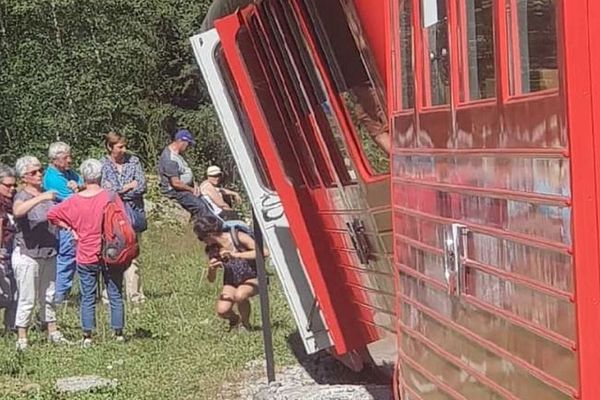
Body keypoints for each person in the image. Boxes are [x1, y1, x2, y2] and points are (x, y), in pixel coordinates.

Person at [48, 159, 127, 346]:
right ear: (100, 176)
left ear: (83, 176)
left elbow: (52, 215)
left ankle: (87, 335)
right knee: (115, 293)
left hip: (85, 252)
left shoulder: (74, 200)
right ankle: (118, 334)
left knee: (87, 296)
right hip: (111, 252)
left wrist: (69, 228)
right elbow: (124, 220)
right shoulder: (111, 196)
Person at [12, 156, 68, 350]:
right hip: (28, 253)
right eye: (33, 172)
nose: (39, 174)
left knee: (49, 294)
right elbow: (18, 211)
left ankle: (53, 331)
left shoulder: (47, 193)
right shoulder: (22, 195)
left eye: (40, 170)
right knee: (27, 297)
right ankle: (22, 337)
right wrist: (42, 198)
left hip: (49, 250)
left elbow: (55, 215)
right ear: (24, 177)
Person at [192, 215, 267, 331]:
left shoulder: (237, 236)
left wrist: (236, 255)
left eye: (201, 238)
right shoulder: (212, 249)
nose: (203, 241)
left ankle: (246, 325)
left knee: (240, 295)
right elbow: (211, 279)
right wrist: (212, 268)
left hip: (252, 275)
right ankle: (235, 320)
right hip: (231, 280)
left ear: (210, 234)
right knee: (222, 310)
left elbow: (264, 252)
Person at [101, 131, 146, 304]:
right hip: (111, 217)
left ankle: (134, 295)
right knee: (112, 254)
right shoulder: (102, 164)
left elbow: (141, 185)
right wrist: (127, 187)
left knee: (133, 256)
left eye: (124, 146)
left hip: (133, 214)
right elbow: (107, 191)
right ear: (109, 147)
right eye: (120, 147)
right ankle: (110, 295)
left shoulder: (133, 161)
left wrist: (121, 190)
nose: (124, 150)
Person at [42, 142, 83, 304]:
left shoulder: (69, 173)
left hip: (76, 223)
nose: (70, 160)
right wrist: (78, 190)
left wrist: (80, 188)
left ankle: (69, 293)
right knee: (66, 257)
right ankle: (59, 296)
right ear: (55, 159)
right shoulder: (51, 178)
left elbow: (84, 183)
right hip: (63, 224)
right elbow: (73, 200)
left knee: (75, 257)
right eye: (66, 158)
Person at [158, 129, 212, 217]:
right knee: (200, 206)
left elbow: (186, 170)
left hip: (185, 188)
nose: (188, 146)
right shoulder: (169, 159)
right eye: (188, 144)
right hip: (175, 191)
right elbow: (175, 183)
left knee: (208, 201)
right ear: (181, 141)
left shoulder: (178, 154)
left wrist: (194, 185)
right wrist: (191, 190)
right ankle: (205, 227)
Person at [0, 165, 17, 332]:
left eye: (14, 185)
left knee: (15, 292)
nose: (12, 189)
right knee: (4, 294)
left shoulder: (12, 202)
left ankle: (10, 328)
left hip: (13, 250)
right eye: (7, 185)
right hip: (2, 250)